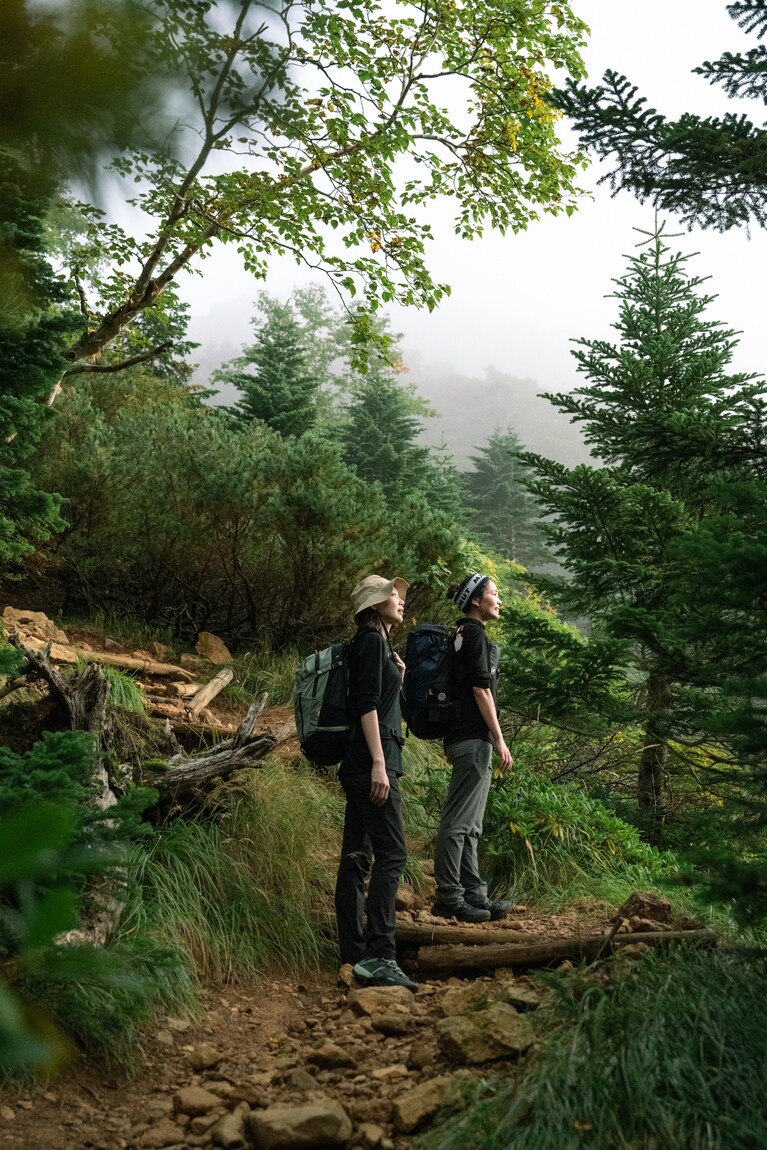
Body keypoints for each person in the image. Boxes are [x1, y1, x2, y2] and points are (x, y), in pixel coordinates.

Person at [334, 574, 417, 992]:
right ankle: (381, 954)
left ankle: (354, 953)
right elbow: (365, 706)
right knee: (393, 853)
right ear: (373, 605)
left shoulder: (377, 646)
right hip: (371, 762)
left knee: (357, 855)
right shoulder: (369, 641)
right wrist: (380, 765)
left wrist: (397, 676)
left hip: (361, 762)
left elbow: (378, 702)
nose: (399, 600)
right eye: (392, 595)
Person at [431, 572, 514, 923]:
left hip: (462, 738)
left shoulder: (461, 634)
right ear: (477, 601)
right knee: (459, 822)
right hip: (472, 739)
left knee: (472, 824)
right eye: (494, 594)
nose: (499, 600)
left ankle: (474, 896)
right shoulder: (475, 634)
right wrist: (498, 737)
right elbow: (481, 690)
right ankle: (450, 896)